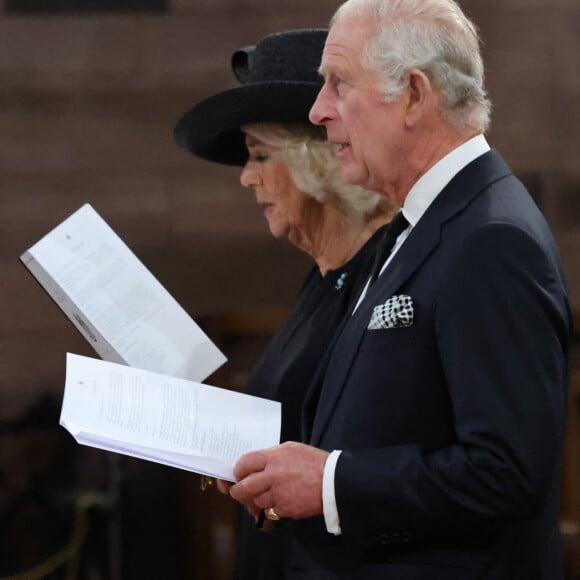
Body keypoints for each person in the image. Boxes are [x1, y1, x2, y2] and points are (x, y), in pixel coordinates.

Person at [221, 1, 573, 579]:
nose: (319, 109)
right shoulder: (423, 223)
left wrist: (329, 484)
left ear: (412, 94)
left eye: (339, 83)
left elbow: (504, 470)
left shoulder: (492, 238)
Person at [173, 28, 396, 579]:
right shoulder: (323, 274)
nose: (247, 178)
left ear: (314, 159)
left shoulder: (388, 272)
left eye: (258, 155)